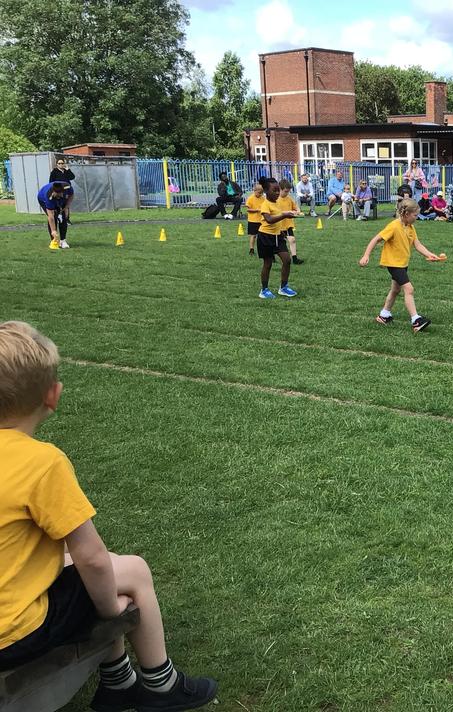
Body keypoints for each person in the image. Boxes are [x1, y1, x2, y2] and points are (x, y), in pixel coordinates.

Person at [0, 321, 218, 711]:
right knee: (130, 571)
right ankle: (162, 684)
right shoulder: (42, 463)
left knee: (91, 568)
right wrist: (108, 613)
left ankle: (118, 681)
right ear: (53, 395)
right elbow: (93, 559)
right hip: (12, 634)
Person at [358, 198, 439, 332]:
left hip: (402, 263)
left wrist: (430, 254)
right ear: (406, 214)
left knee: (395, 290)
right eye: (415, 215)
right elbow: (376, 239)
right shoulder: (394, 226)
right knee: (409, 289)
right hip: (394, 264)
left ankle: (384, 315)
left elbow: (417, 244)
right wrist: (366, 255)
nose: (416, 218)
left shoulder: (410, 227)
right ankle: (416, 320)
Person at [256, 178, 299, 298]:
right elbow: (269, 219)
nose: (277, 193)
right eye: (274, 190)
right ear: (266, 191)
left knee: (287, 260)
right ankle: (264, 290)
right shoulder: (265, 204)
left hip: (278, 236)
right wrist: (284, 215)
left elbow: (278, 218)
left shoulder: (277, 202)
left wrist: (283, 228)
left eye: (278, 190)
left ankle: (283, 288)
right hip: (265, 237)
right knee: (268, 264)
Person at [37, 181, 74, 250]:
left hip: (62, 199)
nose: (58, 196)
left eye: (60, 194)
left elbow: (71, 195)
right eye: (57, 195)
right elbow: (50, 216)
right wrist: (53, 230)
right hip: (42, 198)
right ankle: (54, 240)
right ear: (53, 192)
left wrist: (66, 207)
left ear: (63, 192)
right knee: (54, 217)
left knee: (63, 217)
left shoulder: (68, 187)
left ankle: (63, 241)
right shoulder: (49, 196)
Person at [277, 179, 304, 265]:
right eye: (285, 191)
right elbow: (276, 212)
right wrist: (288, 212)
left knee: (292, 240)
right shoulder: (275, 199)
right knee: (275, 244)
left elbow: (295, 207)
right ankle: (271, 257)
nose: (287, 193)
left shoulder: (289, 199)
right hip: (277, 226)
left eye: (288, 191)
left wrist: (297, 211)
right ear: (280, 189)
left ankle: (295, 258)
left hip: (288, 224)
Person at [48, 158, 76, 223]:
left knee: (66, 205)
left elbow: (72, 177)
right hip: (58, 191)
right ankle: (58, 218)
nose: (61, 164)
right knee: (58, 205)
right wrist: (54, 191)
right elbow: (51, 182)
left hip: (67, 190)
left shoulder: (66, 171)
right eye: (59, 163)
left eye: (62, 163)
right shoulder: (54, 172)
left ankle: (66, 219)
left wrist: (68, 170)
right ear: (57, 164)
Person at [244, 181, 265, 255]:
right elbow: (248, 209)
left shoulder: (263, 198)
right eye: (259, 193)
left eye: (261, 193)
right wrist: (257, 210)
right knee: (253, 236)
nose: (260, 194)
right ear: (254, 191)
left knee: (261, 236)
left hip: (261, 220)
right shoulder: (250, 198)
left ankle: (262, 249)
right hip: (252, 220)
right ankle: (251, 249)